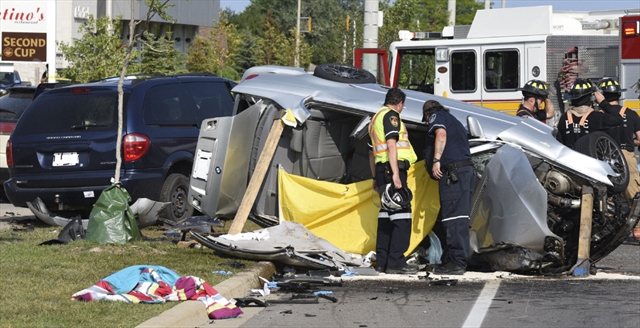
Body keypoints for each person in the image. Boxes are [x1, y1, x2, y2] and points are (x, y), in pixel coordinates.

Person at [368, 88, 418, 274]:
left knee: (386, 216)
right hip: (392, 170)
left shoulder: (374, 119)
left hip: (382, 172)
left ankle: (383, 261)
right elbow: (391, 145)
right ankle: (396, 262)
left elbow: (370, 153)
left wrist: (375, 177)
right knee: (401, 216)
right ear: (399, 103)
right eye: (403, 106)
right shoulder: (391, 116)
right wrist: (396, 174)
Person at [422, 100, 475, 275]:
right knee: (459, 216)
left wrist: (436, 161)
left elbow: (441, 135)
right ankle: (453, 258)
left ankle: (456, 262)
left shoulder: (437, 116)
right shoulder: (456, 122)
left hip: (453, 173)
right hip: (464, 172)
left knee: (453, 217)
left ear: (428, 114)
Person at [594, 77, 640, 201]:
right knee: (634, 197)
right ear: (619, 94)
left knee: (607, 200)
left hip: (605, 158)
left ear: (602, 96)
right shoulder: (631, 114)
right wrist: (631, 142)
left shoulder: (598, 116)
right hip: (627, 157)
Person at [556, 78, 623, 149]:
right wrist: (603, 102)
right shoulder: (596, 117)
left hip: (568, 158)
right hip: (590, 158)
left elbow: (559, 142)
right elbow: (617, 119)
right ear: (591, 98)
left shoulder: (565, 117)